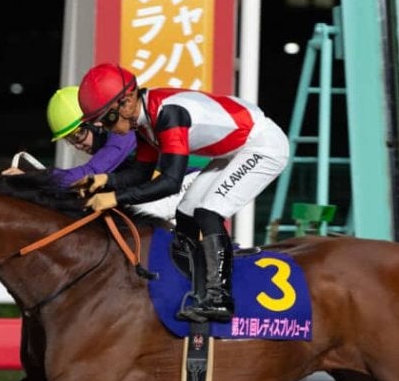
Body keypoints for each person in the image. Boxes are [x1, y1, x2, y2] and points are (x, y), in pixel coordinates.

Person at [71, 63, 290, 322]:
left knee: (208, 212)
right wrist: (104, 180)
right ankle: (194, 286)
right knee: (185, 213)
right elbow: (141, 174)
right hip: (233, 150)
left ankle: (220, 299)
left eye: (106, 118)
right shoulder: (142, 121)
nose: (104, 128)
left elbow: (170, 183)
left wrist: (114, 198)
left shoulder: (168, 115)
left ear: (127, 101)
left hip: (263, 145)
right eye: (97, 122)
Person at [2, 86, 138, 187]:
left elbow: (88, 174)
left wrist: (32, 177)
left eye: (77, 135)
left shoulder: (124, 132)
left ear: (97, 122)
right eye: (70, 140)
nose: (77, 145)